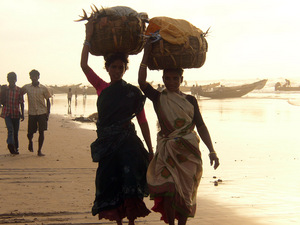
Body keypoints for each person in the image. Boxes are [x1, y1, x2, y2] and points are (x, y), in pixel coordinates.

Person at [138, 41, 220, 225]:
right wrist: (146, 53)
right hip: (167, 151)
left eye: (175, 78)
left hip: (188, 152)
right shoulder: (159, 97)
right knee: (169, 190)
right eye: (168, 78)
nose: (172, 82)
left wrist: (212, 150)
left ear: (181, 80)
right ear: (163, 79)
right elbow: (142, 82)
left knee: (185, 192)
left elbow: (201, 126)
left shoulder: (190, 100)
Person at [80, 20, 154, 225]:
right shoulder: (101, 87)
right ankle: (120, 222)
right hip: (107, 144)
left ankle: (130, 221)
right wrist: (88, 37)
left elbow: (143, 121)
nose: (117, 70)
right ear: (107, 68)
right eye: (113, 66)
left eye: (121, 67)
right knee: (109, 180)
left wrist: (150, 148)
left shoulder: (132, 92)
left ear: (124, 69)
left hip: (128, 142)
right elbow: (84, 65)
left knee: (130, 180)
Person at [22, 69, 51, 156]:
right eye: (32, 76)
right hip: (32, 113)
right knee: (30, 132)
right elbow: (18, 94)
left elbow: (48, 100)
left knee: (41, 132)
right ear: (30, 77)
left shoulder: (43, 88)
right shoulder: (27, 87)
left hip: (42, 112)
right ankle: (30, 141)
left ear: (38, 77)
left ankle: (39, 150)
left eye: (35, 76)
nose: (34, 78)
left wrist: (48, 112)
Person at [0, 72, 24, 154]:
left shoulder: (19, 90)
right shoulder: (5, 90)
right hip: (7, 113)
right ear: (8, 80)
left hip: (16, 113)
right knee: (10, 130)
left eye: (13, 80)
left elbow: (21, 103)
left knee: (15, 132)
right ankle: (10, 143)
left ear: (16, 80)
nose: (11, 81)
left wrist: (23, 114)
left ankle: (16, 148)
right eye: (10, 80)